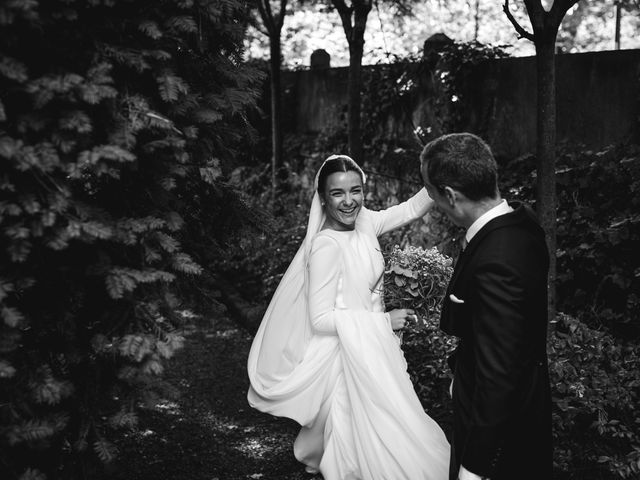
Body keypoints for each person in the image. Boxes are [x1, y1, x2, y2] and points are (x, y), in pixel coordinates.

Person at [247, 154, 450, 480]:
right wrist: (384, 322)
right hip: (347, 355)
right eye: (338, 193)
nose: (349, 201)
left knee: (391, 422)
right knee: (360, 435)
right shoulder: (326, 246)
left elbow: (411, 209)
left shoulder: (366, 221)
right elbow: (321, 320)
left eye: (355, 191)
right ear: (323, 199)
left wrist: (443, 172)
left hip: (375, 348)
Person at [420, 133, 553, 480]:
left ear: (450, 195)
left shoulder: (497, 259)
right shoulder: (521, 222)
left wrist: (474, 467)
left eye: (432, 194)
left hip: (501, 434)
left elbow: (500, 374)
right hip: (506, 398)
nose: (433, 201)